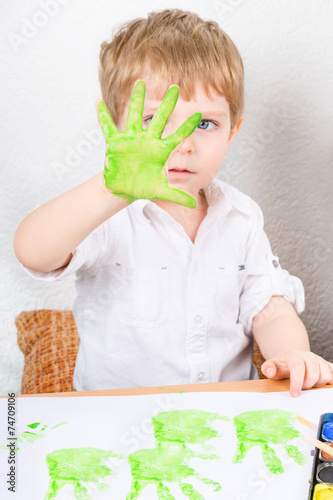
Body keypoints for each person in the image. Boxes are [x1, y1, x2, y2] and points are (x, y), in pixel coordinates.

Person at [14, 9, 333, 396]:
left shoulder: (242, 218)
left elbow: (269, 308)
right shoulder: (108, 213)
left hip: (223, 414)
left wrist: (294, 355)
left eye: (205, 124)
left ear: (232, 132)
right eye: (154, 121)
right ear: (117, 130)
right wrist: (109, 190)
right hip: (116, 417)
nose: (182, 144)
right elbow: (33, 252)